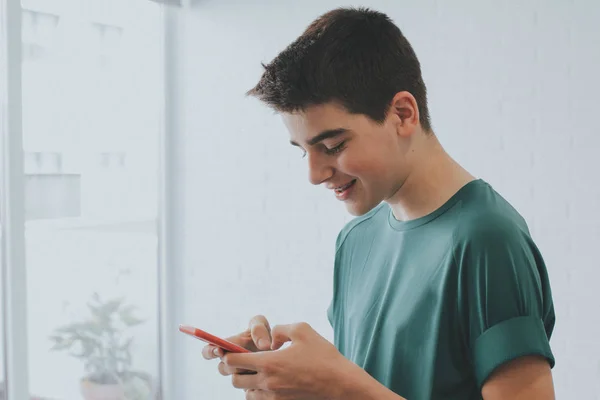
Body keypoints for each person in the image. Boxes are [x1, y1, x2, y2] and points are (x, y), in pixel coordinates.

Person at [201, 7, 556, 400]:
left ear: (402, 114)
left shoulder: (488, 240)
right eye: (303, 151)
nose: (315, 174)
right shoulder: (354, 240)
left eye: (333, 146)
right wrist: (303, 387)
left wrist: (339, 385)